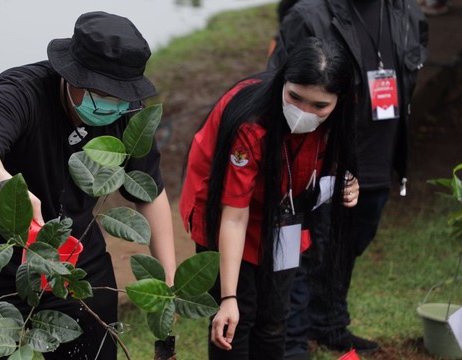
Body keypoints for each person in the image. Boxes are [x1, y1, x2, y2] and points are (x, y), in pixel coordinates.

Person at [0, 11, 177, 360]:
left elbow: (148, 193)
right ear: (70, 74)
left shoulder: (128, 115)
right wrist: (9, 191)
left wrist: (166, 278)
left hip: (72, 248)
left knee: (93, 341)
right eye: (101, 93)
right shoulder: (20, 91)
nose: (112, 104)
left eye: (120, 95)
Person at [179, 37, 360, 359]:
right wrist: (227, 298)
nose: (303, 113)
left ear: (339, 102)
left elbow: (330, 166)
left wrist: (347, 185)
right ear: (282, 81)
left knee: (275, 316)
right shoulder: (251, 126)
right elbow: (233, 216)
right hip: (227, 213)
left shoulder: (339, 121)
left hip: (282, 219)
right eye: (295, 97)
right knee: (237, 318)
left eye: (319, 106)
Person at [267, 0, 429, 358]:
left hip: (379, 155)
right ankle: (291, 341)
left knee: (350, 244)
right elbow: (277, 88)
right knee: (307, 250)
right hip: (324, 159)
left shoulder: (409, 13)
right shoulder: (308, 16)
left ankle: (328, 323)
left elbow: (409, 79)